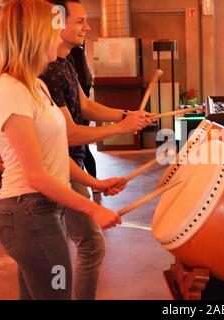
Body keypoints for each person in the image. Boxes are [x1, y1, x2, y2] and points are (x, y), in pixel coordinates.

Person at [0, 0, 124, 300]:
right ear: (35, 35)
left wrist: (95, 183)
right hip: (29, 214)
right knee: (57, 292)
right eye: (53, 28)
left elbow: (54, 156)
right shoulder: (10, 90)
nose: (59, 33)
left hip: (41, 212)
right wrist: (92, 208)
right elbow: (36, 175)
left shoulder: (35, 86)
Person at [41, 0, 155, 300]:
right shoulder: (47, 72)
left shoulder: (65, 62)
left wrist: (126, 115)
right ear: (56, 22)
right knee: (87, 246)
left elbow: (86, 106)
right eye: (80, 21)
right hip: (60, 167)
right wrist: (120, 128)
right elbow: (67, 134)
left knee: (60, 253)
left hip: (72, 164)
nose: (87, 27)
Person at [68, 44, 97, 182]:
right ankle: (92, 181)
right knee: (84, 149)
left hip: (75, 115)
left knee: (80, 149)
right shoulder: (86, 76)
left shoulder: (72, 77)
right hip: (83, 116)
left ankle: (86, 181)